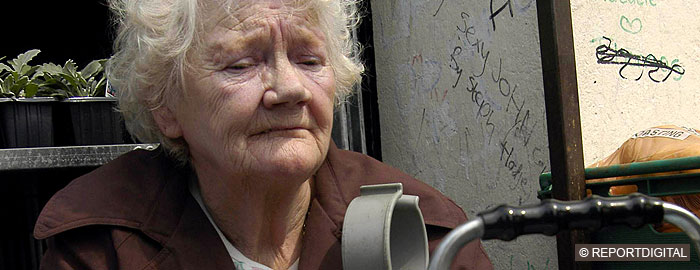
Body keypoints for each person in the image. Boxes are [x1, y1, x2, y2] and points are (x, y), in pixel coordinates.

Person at [33, 0, 493, 269]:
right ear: (166, 105)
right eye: (241, 64)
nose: (290, 88)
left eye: (310, 60)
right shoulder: (103, 246)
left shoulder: (425, 235)